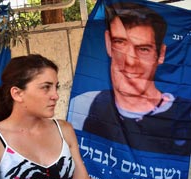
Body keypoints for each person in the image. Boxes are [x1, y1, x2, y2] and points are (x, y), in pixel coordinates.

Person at [0, 54, 162, 179]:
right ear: (17, 93)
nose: (55, 95)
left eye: (56, 87)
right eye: (46, 87)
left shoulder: (63, 130)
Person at [68, 2, 191, 155]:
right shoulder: (83, 106)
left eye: (143, 49)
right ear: (108, 42)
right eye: (120, 43)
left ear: (161, 54)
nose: (130, 61)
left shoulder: (185, 114)